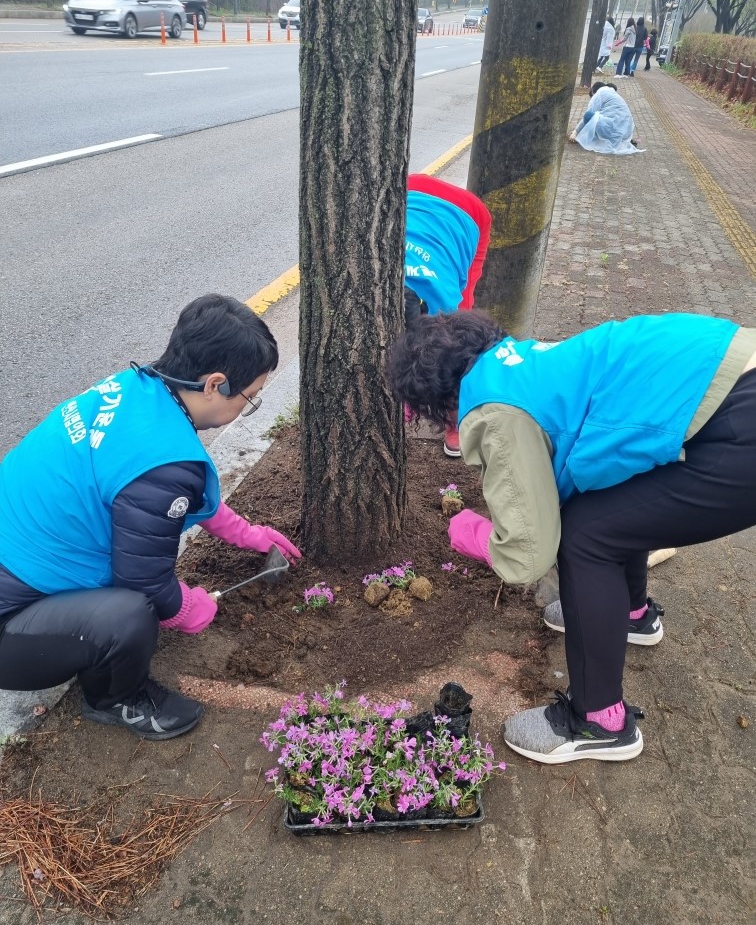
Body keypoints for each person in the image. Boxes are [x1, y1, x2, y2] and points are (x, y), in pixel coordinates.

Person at [388, 309, 756, 765]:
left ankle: (599, 721)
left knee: (585, 536)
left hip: (740, 431)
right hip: (732, 372)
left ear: (438, 401)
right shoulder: (514, 362)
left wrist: (474, 532)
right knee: (611, 504)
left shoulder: (493, 410)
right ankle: (631, 613)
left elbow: (528, 554)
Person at [0, 294, 301, 741]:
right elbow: (142, 580)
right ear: (215, 384)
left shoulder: (137, 390)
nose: (247, 407)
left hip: (21, 569)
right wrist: (185, 608)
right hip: (10, 627)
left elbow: (165, 494)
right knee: (131, 615)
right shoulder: (165, 465)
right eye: (250, 397)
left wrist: (248, 535)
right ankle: (113, 700)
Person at [403, 173, 492, 457]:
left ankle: (455, 420)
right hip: (409, 190)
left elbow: (458, 353)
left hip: (471, 214)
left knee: (458, 353)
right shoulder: (369, 290)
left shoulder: (448, 312)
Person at [568, 82, 642, 155]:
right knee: (596, 117)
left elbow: (588, 114)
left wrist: (576, 132)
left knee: (588, 116)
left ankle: (599, 138)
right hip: (626, 132)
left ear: (594, 91)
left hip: (613, 129)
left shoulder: (599, 94)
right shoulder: (613, 94)